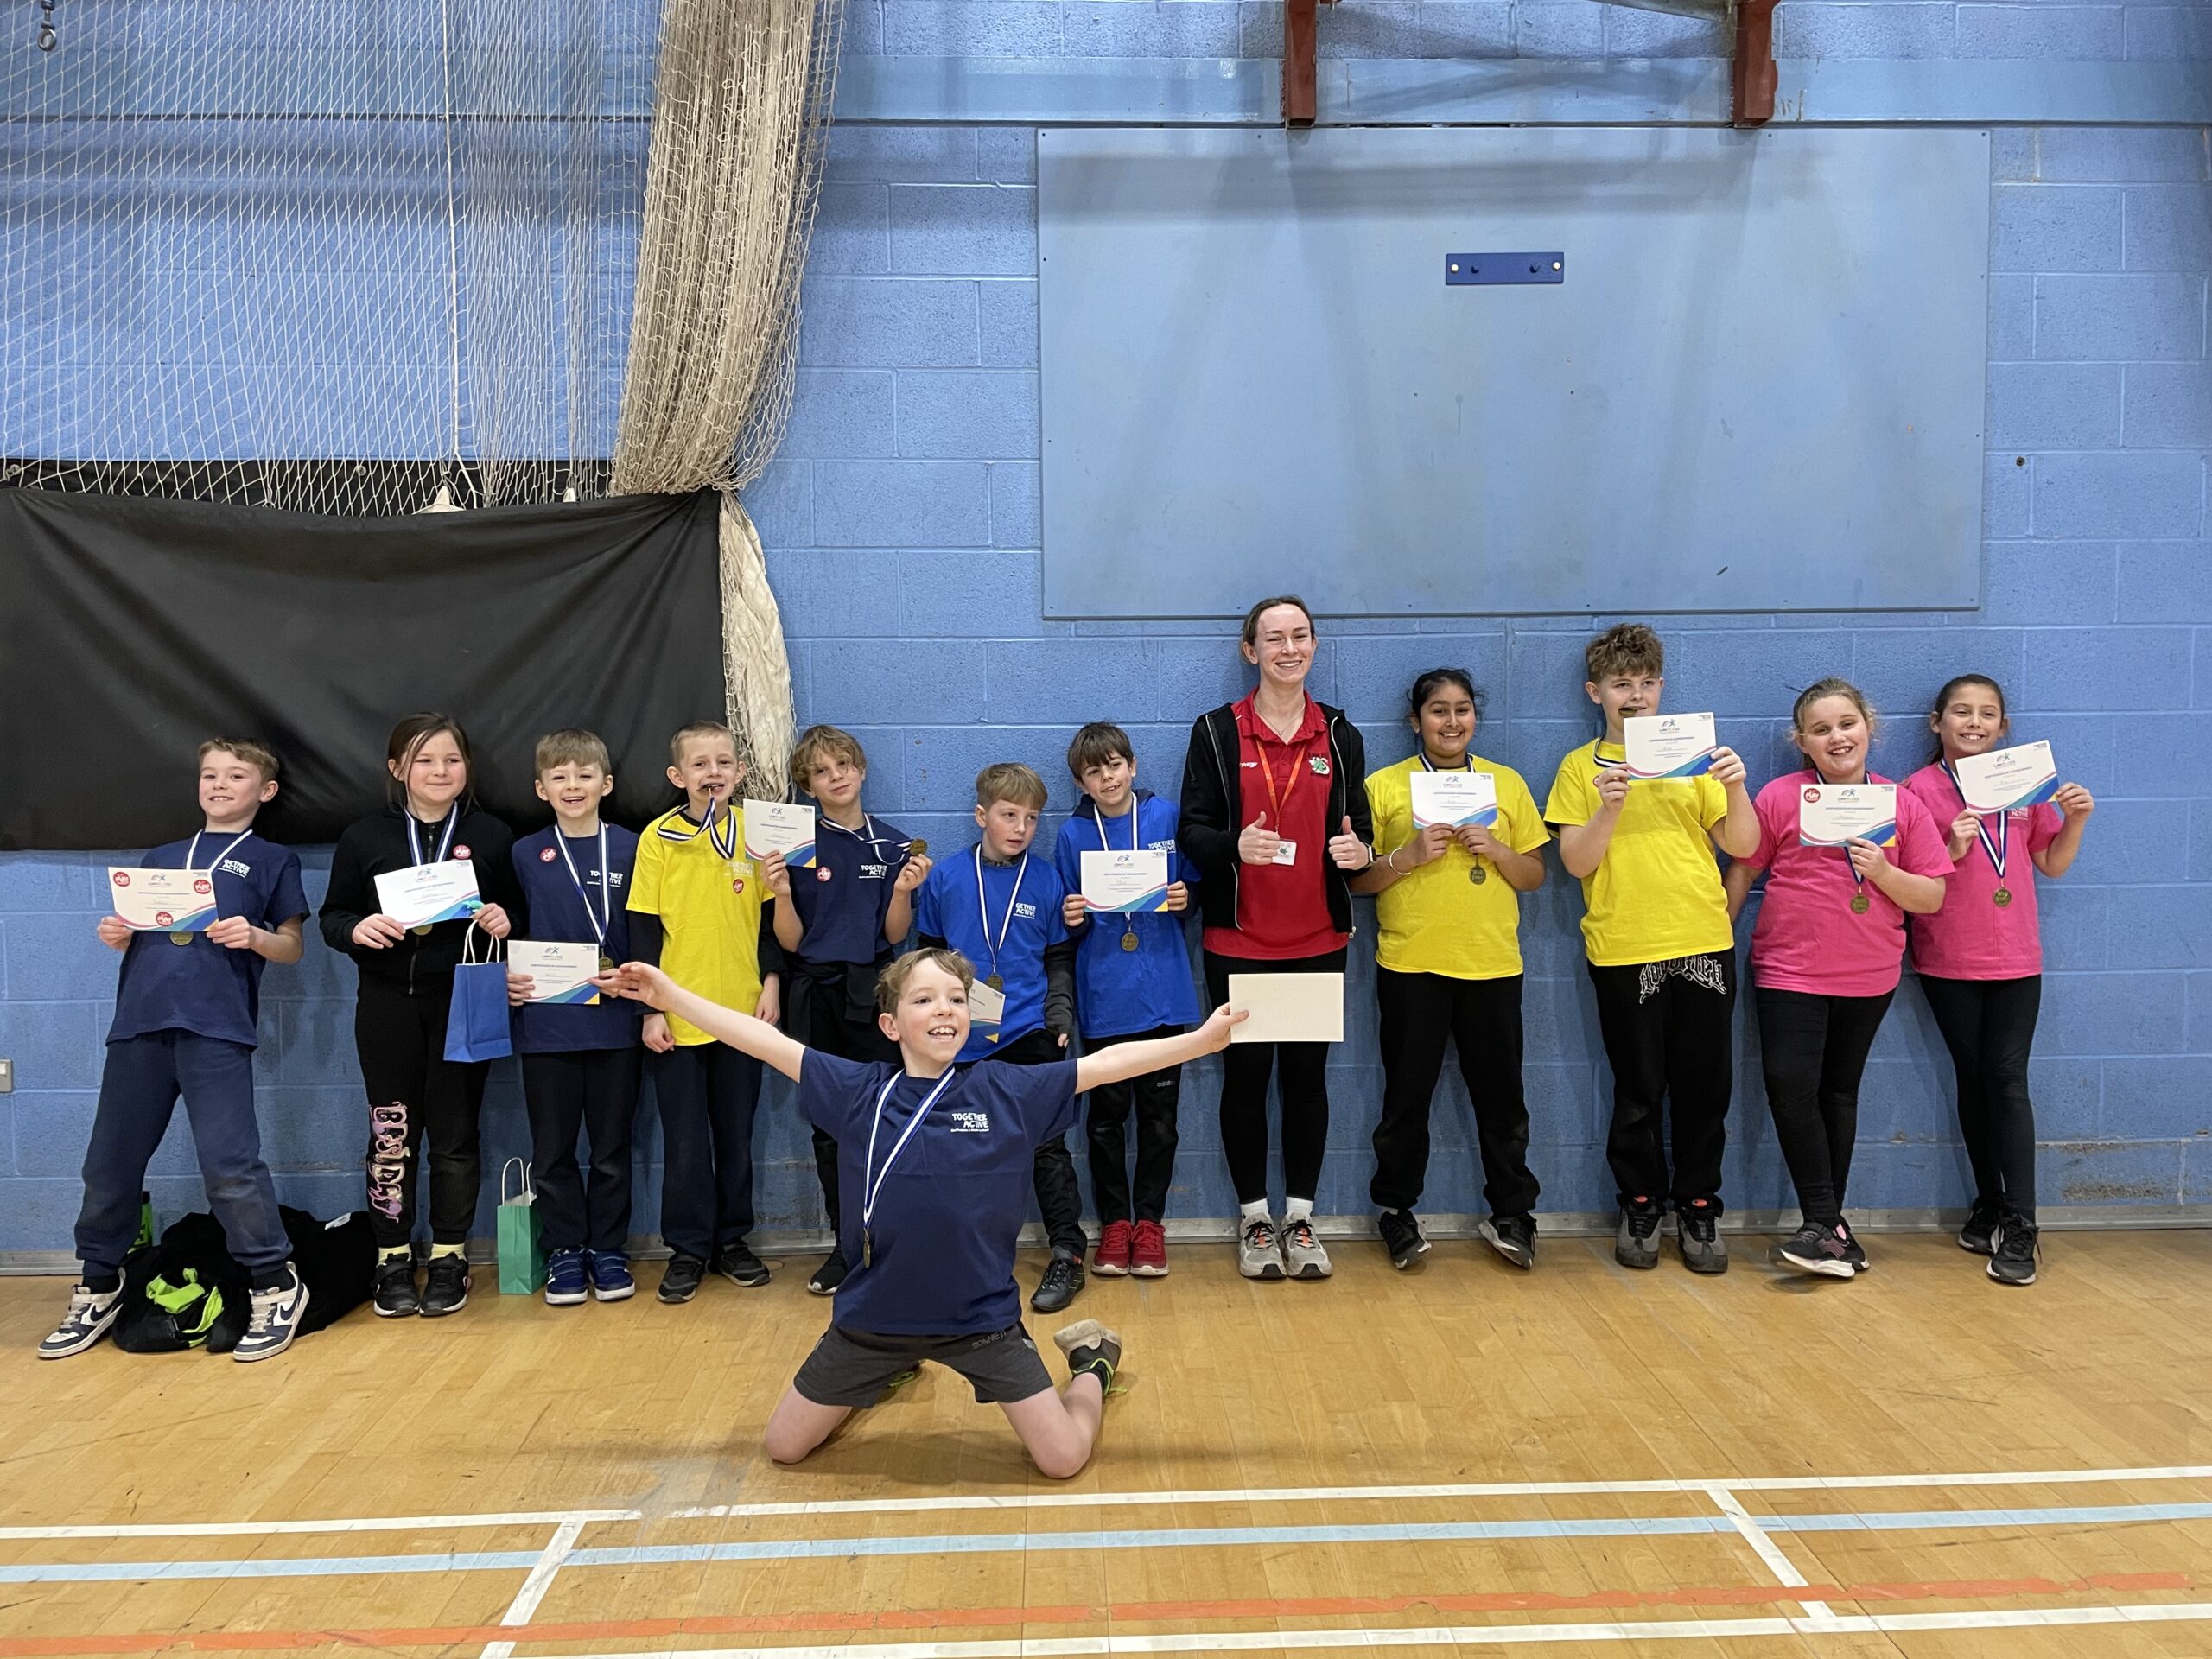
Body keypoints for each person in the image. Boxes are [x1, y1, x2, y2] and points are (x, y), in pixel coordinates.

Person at [596, 948, 1244, 1478]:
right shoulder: (857, 1092)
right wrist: (672, 996)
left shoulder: (1007, 1089)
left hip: (981, 1321)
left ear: (972, 1017)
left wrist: (1201, 1042)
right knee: (784, 1448)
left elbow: (1105, 1065)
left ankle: (1094, 1363)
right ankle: (884, 1372)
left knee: (1063, 1458)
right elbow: (763, 1043)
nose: (944, 1009)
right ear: (891, 1024)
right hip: (872, 1324)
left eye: (957, 1000)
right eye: (925, 999)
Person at [39, 740, 312, 1363]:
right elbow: (135, 929)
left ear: (264, 791)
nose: (219, 785)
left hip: (216, 1029)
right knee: (108, 1166)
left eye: (236, 776)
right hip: (139, 1027)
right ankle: (100, 1285)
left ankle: (275, 1284)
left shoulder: (272, 859)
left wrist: (256, 936)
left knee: (230, 1168)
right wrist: (116, 933)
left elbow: (293, 947)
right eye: (210, 774)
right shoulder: (161, 856)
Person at [1543, 624, 1757, 1274]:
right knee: (1638, 1090)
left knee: (1705, 1089)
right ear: (1596, 693)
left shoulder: (1695, 759)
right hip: (1623, 946)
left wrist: (1738, 784)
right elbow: (1576, 863)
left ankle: (1698, 1205)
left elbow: (1743, 845)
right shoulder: (1580, 768)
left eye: (1645, 683)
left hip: (1702, 939)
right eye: (1620, 686)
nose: (1634, 696)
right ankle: (1639, 1202)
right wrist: (1608, 809)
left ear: (1661, 688)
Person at [1177, 595, 1376, 1281]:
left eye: (1300, 636)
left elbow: (1361, 829)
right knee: (1245, 1078)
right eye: (1273, 637)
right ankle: (1255, 1220)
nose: (1288, 648)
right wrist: (1237, 845)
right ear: (1250, 651)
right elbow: (1192, 836)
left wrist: (1359, 853)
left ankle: (1300, 1217)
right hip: (1238, 940)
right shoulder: (1214, 731)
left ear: (1313, 646)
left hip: (1319, 937)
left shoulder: (1340, 733)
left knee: (1306, 1080)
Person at [1725, 677, 1949, 1279]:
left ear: (1868, 727)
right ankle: (1827, 1223)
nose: (1837, 737)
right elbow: (1745, 872)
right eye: (1821, 729)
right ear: (1802, 741)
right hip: (1787, 969)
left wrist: (1881, 871)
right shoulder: (1779, 796)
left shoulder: (1902, 804)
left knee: (1837, 1094)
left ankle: (1827, 1228)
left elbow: (1930, 895)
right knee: (1787, 1085)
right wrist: (1717, 939)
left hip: (1868, 974)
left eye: (1846, 723)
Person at [321, 714, 519, 1319]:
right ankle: (391, 1257)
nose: (440, 771)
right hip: (385, 1005)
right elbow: (332, 917)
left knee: (456, 1134)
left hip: (463, 999)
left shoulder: (491, 836)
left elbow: (519, 914)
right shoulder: (364, 837)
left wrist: (506, 923)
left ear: (467, 768)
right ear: (396, 769)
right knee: (391, 1134)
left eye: (451, 760)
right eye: (424, 760)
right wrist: (356, 928)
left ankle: (451, 1255)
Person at [1351, 670, 1548, 1271]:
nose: (1452, 721)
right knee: (1407, 1100)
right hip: (1412, 965)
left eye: (1463, 710)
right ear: (1416, 721)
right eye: (1439, 711)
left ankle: (1512, 1212)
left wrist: (1500, 851)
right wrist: (1405, 857)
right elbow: (1358, 881)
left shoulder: (1505, 784)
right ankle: (1395, 1211)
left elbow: (1535, 876)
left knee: (1503, 1101)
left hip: (1491, 965)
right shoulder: (1384, 787)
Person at [1905, 674, 2094, 1287]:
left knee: (2008, 1080)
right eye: (1961, 712)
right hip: (1947, 958)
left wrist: (2075, 821)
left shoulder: (2024, 786)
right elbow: (1910, 880)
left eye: (1988, 714)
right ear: (1937, 723)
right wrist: (1950, 843)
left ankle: (2023, 1227)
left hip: (2017, 959)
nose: (1975, 722)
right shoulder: (1916, 791)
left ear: (2003, 728)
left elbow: (2052, 864)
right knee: (1973, 1077)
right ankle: (1988, 1202)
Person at [760, 724, 929, 1296]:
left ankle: (889, 1242)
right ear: (808, 785)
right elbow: (788, 942)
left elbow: (895, 934)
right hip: (815, 996)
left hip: (873, 994)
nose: (837, 776)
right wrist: (781, 893)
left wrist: (902, 889)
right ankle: (843, 1246)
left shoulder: (894, 845)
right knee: (829, 1131)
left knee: (881, 1122)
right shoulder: (794, 842)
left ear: (861, 770)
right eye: (822, 771)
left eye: (844, 765)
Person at [913, 763, 1087, 1313]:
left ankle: (1067, 1251)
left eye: (1031, 819)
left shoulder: (1045, 878)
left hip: (1029, 1029)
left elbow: (1059, 956)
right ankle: (963, 1251)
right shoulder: (946, 877)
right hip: (961, 1036)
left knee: (1045, 1145)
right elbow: (929, 953)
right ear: (982, 815)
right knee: (964, 1142)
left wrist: (1059, 1015)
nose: (1020, 828)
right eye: (1009, 816)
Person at [627, 721, 783, 1303]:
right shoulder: (657, 838)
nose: (711, 772)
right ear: (678, 776)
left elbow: (773, 921)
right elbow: (642, 924)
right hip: (679, 1018)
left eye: (723, 762)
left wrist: (772, 982)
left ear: (739, 772)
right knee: (687, 1142)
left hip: (744, 1016)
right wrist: (650, 1010)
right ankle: (689, 1249)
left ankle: (733, 1242)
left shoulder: (757, 832)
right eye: (699, 764)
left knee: (737, 1137)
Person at [1051, 722, 1199, 1278]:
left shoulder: (1165, 817)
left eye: (1114, 764)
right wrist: (1071, 917)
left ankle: (1151, 1224)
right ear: (1082, 783)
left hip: (1163, 990)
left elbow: (1190, 890)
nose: (1107, 776)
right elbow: (1069, 915)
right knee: (1106, 1120)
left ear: (1132, 767)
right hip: (1106, 994)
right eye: (1094, 770)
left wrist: (1186, 899)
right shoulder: (1072, 834)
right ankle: (1115, 1223)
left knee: (1160, 1119)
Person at [505, 730, 643, 1306]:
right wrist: (505, 979)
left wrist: (644, 995)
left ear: (605, 784)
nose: (572, 786)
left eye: (584, 775)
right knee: (555, 1147)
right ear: (541, 788)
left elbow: (647, 931)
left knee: (612, 1147)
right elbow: (507, 929)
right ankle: (566, 1249)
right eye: (559, 777)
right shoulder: (523, 852)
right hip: (547, 1023)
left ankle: (608, 1249)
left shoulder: (635, 847)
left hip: (616, 1021)